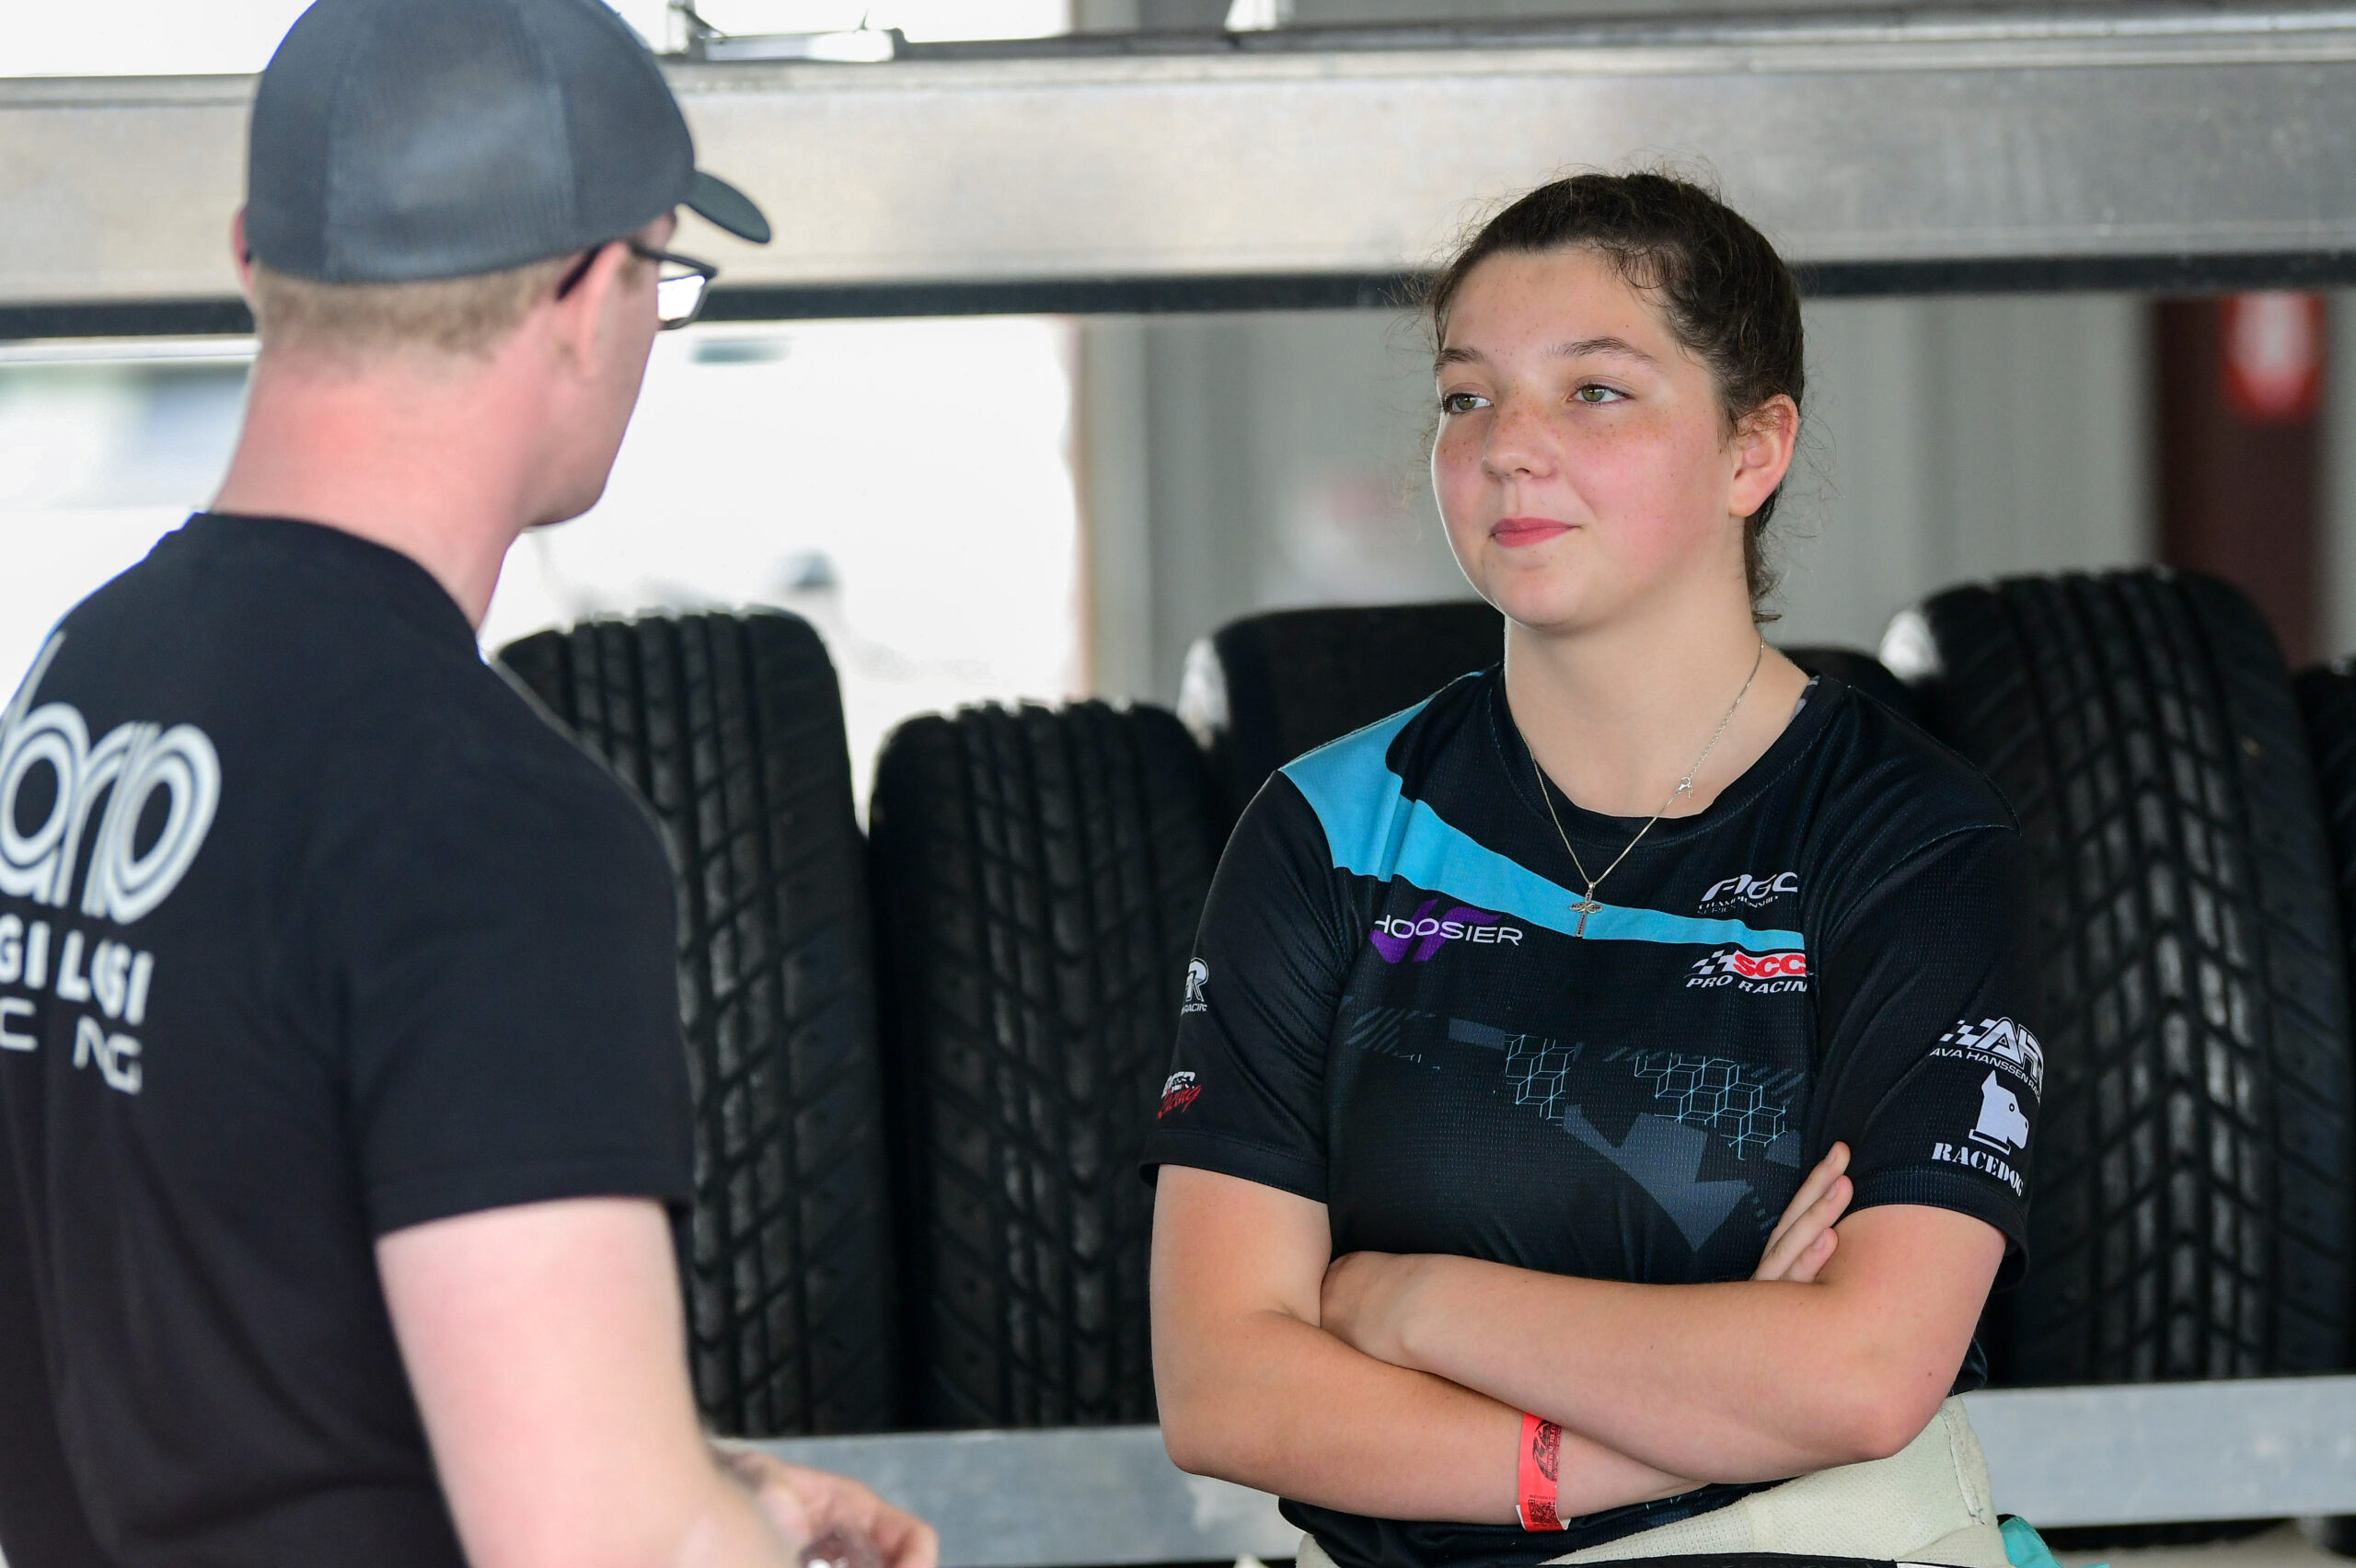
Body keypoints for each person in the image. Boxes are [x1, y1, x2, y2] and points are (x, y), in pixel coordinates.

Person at [0, 3, 937, 1566]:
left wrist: (723, 1494)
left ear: (254, 257)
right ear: (587, 292)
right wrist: (708, 1534)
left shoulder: (88, 682)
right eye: (660, 277)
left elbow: (228, 1312)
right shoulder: (493, 823)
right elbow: (600, 1548)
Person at [1143, 171, 2045, 1568]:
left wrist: (1411, 1304)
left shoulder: (1908, 840)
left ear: (1755, 450)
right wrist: (1675, 1420)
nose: (1511, 448)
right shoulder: (1324, 825)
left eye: (1597, 393)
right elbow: (1225, 1391)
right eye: (1467, 396)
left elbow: (1864, 1375)